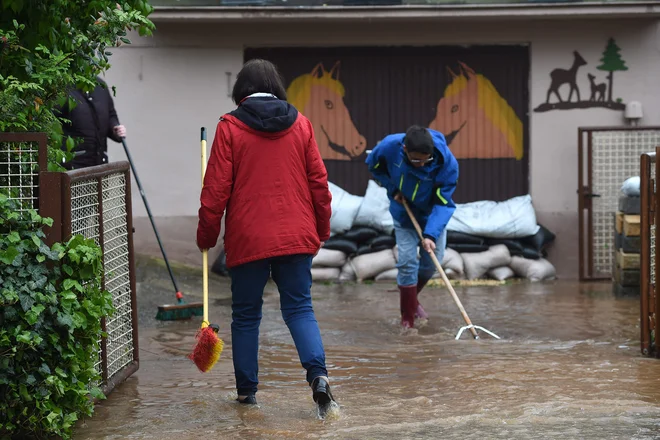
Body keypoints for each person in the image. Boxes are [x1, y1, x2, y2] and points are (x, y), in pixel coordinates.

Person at [196, 59, 336, 412]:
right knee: (300, 308)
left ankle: (247, 394)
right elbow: (319, 183)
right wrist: (320, 230)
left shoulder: (229, 127)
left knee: (245, 315)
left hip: (248, 240)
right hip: (296, 235)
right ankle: (318, 376)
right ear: (276, 87)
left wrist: (206, 235)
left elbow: (215, 191)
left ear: (240, 91)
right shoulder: (301, 124)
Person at [366, 125, 459, 329]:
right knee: (407, 262)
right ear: (404, 149)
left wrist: (431, 235)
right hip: (404, 213)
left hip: (432, 215)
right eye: (416, 159)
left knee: (432, 263)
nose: (421, 164)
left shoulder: (446, 163)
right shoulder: (390, 146)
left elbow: (444, 203)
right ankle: (407, 319)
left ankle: (411, 299)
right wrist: (392, 188)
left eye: (426, 159)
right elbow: (373, 165)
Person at [56, 76, 126, 170]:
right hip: (73, 166)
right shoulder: (63, 85)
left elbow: (110, 114)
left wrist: (115, 127)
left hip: (99, 163)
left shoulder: (100, 85)